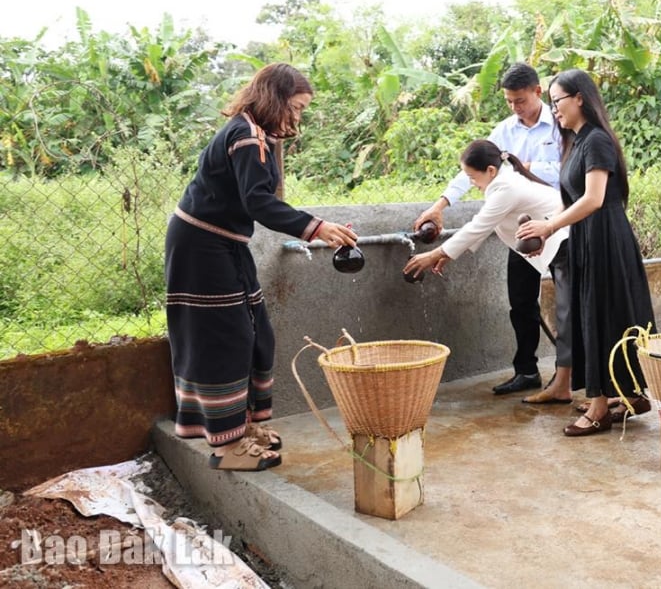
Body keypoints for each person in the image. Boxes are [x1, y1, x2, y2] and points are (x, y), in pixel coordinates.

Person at [165, 63, 359, 470]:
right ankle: (227, 446)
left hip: (225, 243)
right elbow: (258, 202)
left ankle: (242, 426)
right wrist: (317, 227)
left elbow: (254, 201)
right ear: (276, 99)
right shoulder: (246, 136)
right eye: (297, 107)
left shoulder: (254, 133)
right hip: (201, 246)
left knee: (255, 332)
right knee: (225, 337)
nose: (298, 116)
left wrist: (317, 226)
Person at [517, 69, 656, 437]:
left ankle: (599, 408)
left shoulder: (596, 141)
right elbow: (571, 200)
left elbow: (593, 199)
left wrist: (549, 227)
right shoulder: (576, 142)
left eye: (558, 101)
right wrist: (547, 231)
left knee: (602, 316)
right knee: (598, 315)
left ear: (580, 98)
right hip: (586, 238)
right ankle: (629, 395)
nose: (554, 109)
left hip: (606, 238)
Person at [414, 63, 562, 396]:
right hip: (520, 233)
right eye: (509, 101)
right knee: (521, 303)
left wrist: (527, 167)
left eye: (520, 100)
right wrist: (439, 206)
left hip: (557, 225)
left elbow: (571, 170)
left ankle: (565, 376)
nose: (515, 107)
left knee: (568, 303)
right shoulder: (504, 131)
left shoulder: (560, 123)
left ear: (538, 92)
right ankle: (527, 371)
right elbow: (471, 170)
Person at [403, 139, 574, 404]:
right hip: (525, 245)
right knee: (522, 305)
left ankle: (566, 383)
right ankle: (528, 372)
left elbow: (478, 225)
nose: (472, 183)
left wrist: (435, 254)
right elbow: (483, 226)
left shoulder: (506, 187)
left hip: (562, 240)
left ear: (490, 170)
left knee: (568, 315)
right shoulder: (500, 180)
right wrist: (445, 252)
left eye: (473, 177)